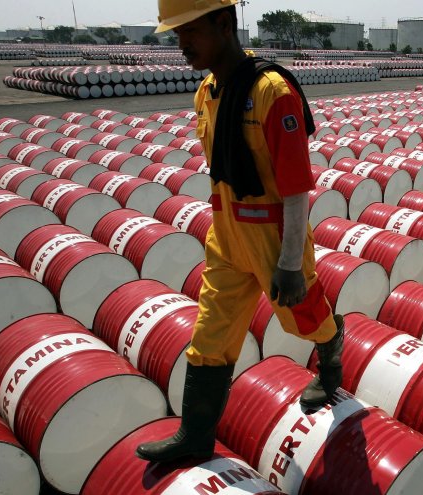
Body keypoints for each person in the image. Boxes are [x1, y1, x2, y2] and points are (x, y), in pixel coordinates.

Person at [136, 0, 344, 463]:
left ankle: (331, 350)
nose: (181, 44)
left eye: (190, 32)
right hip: (227, 235)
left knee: (303, 318)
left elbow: (296, 188)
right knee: (211, 334)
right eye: (176, 35)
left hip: (274, 238)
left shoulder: (273, 93)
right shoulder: (207, 91)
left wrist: (289, 262)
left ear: (224, 23)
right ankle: (195, 436)